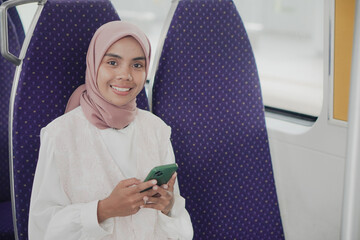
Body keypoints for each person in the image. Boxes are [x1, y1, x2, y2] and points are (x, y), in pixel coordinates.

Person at [28, 21, 193, 240]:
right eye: (113, 62)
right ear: (94, 63)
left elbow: (177, 220)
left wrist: (167, 206)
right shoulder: (59, 134)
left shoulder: (157, 129)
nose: (125, 75)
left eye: (137, 65)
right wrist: (103, 210)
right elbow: (42, 228)